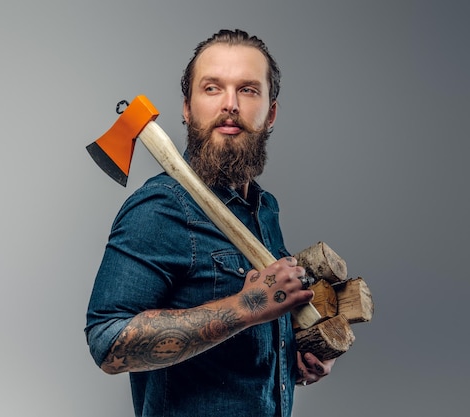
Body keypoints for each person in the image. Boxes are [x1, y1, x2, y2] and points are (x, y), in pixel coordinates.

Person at [85, 29, 335, 417]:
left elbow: (256, 328)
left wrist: (290, 352)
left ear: (270, 113)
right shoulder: (160, 208)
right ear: (187, 108)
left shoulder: (263, 208)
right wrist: (248, 306)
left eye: (248, 90)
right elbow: (107, 343)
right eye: (212, 88)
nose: (230, 104)